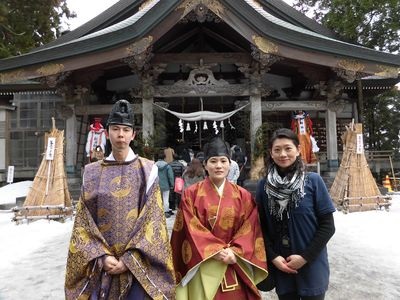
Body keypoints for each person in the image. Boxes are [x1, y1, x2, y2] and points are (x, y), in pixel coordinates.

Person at [65, 99, 175, 300]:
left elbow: (153, 220)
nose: (121, 135)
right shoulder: (91, 172)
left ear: (133, 134)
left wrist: (130, 258)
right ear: (107, 133)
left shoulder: (148, 169)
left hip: (137, 262)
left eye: (126, 130)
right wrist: (101, 255)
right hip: (101, 263)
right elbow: (83, 221)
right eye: (115, 129)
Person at [171, 137, 268, 300]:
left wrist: (235, 252)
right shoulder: (191, 194)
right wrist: (214, 250)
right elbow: (188, 227)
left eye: (223, 161)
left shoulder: (243, 195)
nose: (218, 166)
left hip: (233, 261)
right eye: (213, 161)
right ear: (205, 165)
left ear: (230, 164)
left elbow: (251, 228)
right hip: (202, 262)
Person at [256, 128, 335, 300]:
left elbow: (328, 226)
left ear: (298, 150)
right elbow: (260, 227)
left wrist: (305, 257)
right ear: (271, 153)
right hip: (282, 265)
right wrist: (274, 257)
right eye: (277, 150)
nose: (283, 154)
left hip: (312, 264)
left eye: (288, 148)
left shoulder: (313, 181)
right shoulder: (264, 186)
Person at [156, 150, 175, 218]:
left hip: (156, 185)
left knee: (158, 198)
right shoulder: (167, 166)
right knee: (166, 199)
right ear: (164, 158)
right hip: (166, 185)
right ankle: (166, 212)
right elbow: (170, 176)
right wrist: (172, 185)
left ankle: (158, 211)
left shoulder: (154, 166)